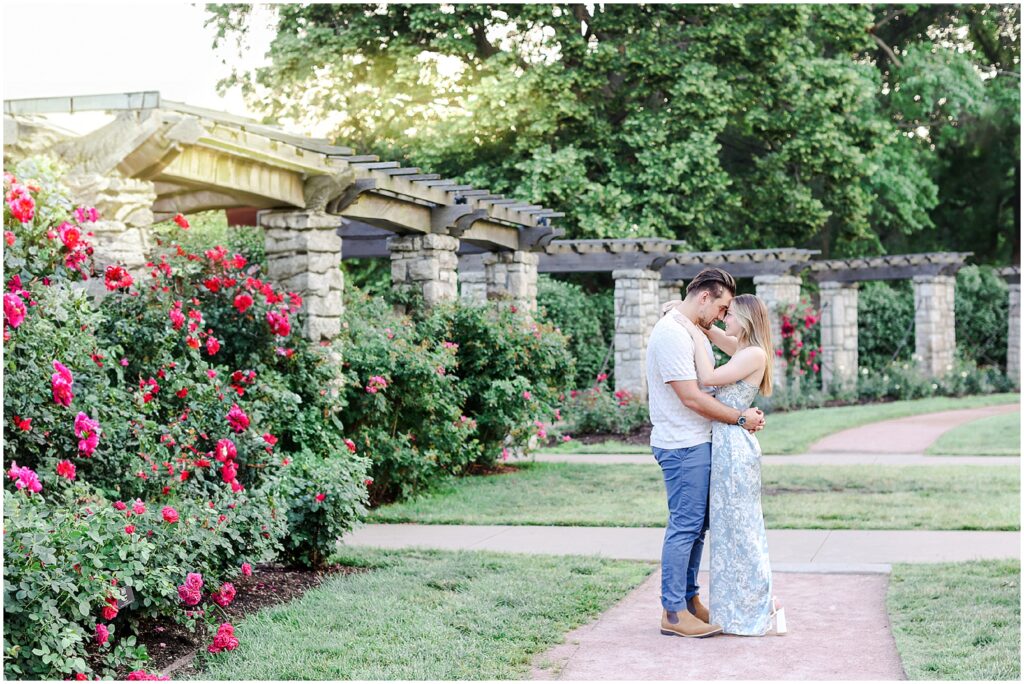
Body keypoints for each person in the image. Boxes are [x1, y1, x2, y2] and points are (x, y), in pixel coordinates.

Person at [645, 267, 765, 639]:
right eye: (722, 307)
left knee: (696, 529)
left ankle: (690, 601)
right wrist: (739, 418)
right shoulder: (671, 334)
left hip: (698, 441)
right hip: (682, 444)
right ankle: (673, 611)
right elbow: (692, 396)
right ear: (704, 298)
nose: (722, 316)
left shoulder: (688, 329)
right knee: (684, 527)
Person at [673, 293, 786, 637]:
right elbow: (718, 336)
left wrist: (689, 330)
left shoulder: (751, 354)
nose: (725, 318)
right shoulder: (743, 348)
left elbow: (707, 377)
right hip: (728, 444)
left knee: (742, 529)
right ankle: (745, 605)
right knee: (732, 529)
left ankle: (767, 603)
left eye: (731, 314)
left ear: (747, 320)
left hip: (735, 448)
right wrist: (693, 320)